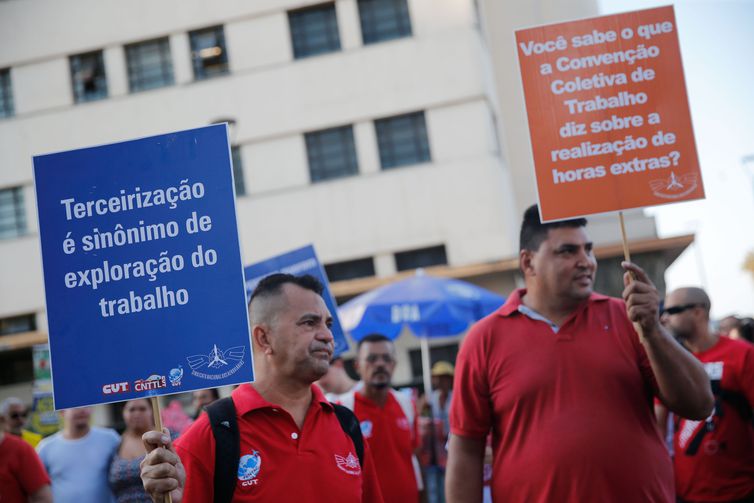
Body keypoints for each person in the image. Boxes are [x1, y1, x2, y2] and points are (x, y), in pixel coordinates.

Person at [446, 204, 713, 503]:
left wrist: (652, 331)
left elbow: (700, 405)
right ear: (528, 262)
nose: (585, 261)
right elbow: (466, 448)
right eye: (567, 251)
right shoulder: (484, 339)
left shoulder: (630, 319)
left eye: (588, 249)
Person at [140, 273, 383, 502]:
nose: (328, 335)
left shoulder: (347, 425)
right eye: (310, 322)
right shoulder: (208, 436)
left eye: (328, 324)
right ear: (263, 338)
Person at [656, 287, 754, 502]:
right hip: (686, 494)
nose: (663, 318)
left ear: (698, 312)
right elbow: (658, 427)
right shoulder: (669, 362)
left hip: (741, 491)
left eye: (672, 310)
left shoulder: (743, 354)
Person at [336, 334, 421, 503]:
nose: (380, 364)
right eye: (372, 359)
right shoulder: (343, 410)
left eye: (386, 358)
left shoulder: (407, 404)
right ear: (357, 366)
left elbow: (414, 457)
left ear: (394, 364)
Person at [37, 406, 120, 502]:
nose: (82, 410)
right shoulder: (45, 447)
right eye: (75, 406)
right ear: (62, 411)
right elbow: (37, 490)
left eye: (86, 405)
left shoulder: (110, 439)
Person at [0, 405, 52, 503]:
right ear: (3, 419)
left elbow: (42, 495)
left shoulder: (34, 442)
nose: (20, 419)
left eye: (23, 415)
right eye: (14, 415)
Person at [109, 399, 155, 503]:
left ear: (152, 411)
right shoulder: (116, 444)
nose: (137, 414)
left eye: (142, 409)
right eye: (131, 409)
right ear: (123, 412)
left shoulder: (165, 439)